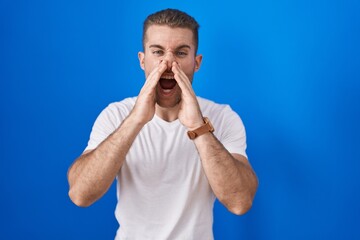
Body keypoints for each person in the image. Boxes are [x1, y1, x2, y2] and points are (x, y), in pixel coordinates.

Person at [67, 8, 258, 240]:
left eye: (180, 53)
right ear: (142, 60)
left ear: (196, 62)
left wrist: (198, 127)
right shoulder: (116, 115)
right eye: (158, 52)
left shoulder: (222, 117)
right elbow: (80, 194)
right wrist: (136, 120)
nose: (168, 64)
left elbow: (240, 202)